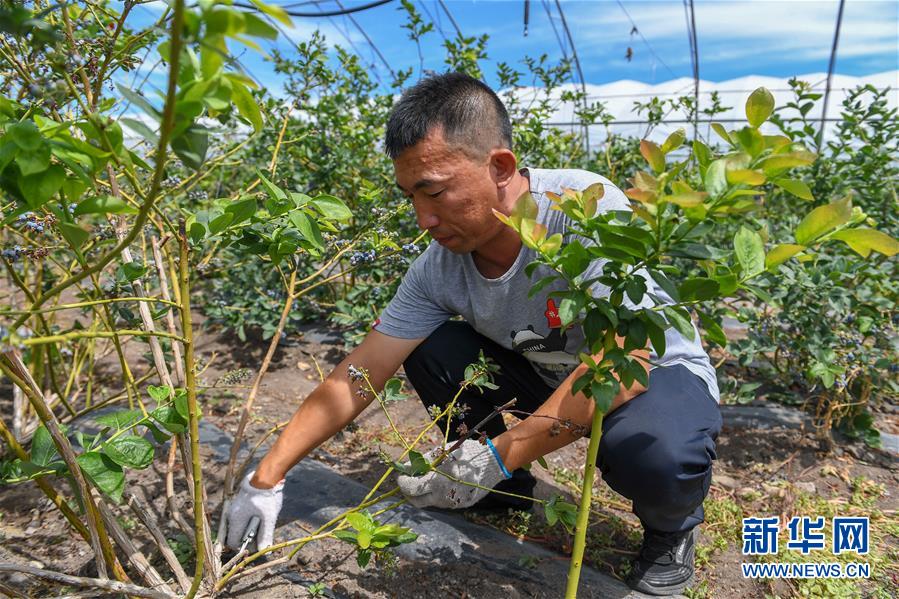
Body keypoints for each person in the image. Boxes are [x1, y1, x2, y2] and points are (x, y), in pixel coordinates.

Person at [224, 72, 723, 596]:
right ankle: (501, 491)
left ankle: (672, 531)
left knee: (658, 455)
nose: (423, 219)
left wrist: (498, 453)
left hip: (650, 373)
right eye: (411, 197)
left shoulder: (585, 209)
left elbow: (626, 365)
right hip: (545, 373)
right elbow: (359, 373)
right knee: (432, 348)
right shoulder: (439, 267)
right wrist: (268, 475)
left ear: (500, 166)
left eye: (435, 192)